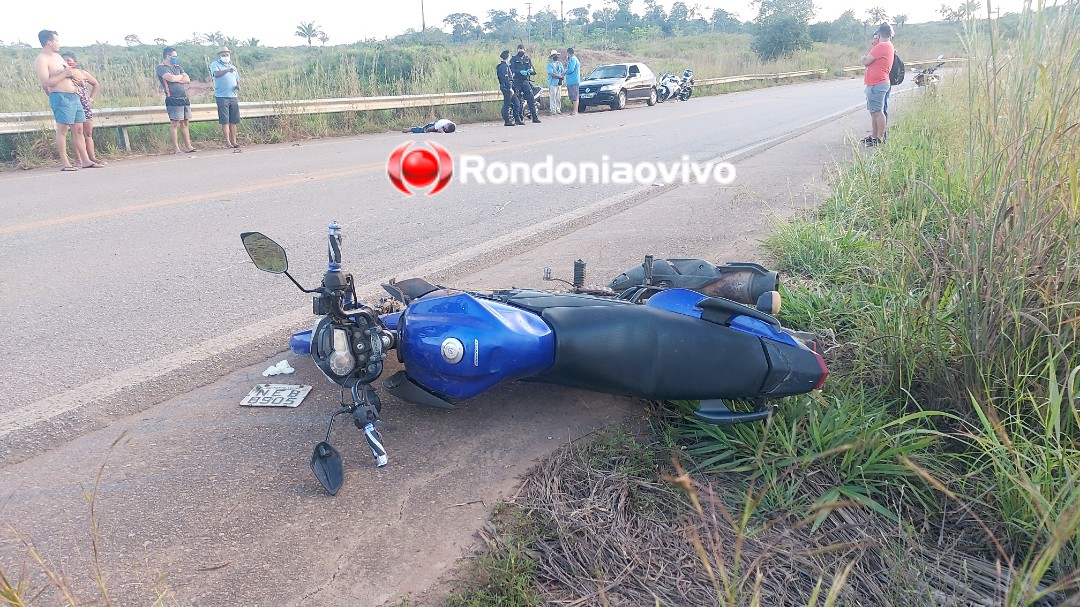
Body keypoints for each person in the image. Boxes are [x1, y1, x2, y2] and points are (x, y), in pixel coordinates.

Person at [33, 30, 99, 171]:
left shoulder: (57, 57)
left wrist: (74, 79)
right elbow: (46, 82)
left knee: (79, 129)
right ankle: (65, 162)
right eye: (56, 40)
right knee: (63, 130)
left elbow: (69, 73)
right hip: (60, 96)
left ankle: (85, 160)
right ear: (49, 42)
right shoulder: (42, 59)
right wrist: (64, 74)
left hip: (74, 96)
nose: (58, 43)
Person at [59, 52, 106, 166]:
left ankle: (92, 158)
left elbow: (95, 84)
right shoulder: (62, 75)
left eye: (69, 60)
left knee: (88, 133)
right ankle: (79, 159)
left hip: (85, 105)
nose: (67, 62)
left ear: (75, 61)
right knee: (76, 132)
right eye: (64, 60)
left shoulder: (83, 73)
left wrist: (91, 98)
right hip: (71, 104)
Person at [156, 46, 198, 154]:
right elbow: (170, 78)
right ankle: (176, 148)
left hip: (183, 97)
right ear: (168, 56)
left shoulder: (177, 66)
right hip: (172, 98)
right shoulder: (161, 67)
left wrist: (176, 78)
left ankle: (188, 146)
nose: (176, 58)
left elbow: (187, 79)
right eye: (174, 56)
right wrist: (179, 77)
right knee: (174, 123)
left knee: (185, 123)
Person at [860, 23, 894, 147]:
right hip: (876, 82)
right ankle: (875, 136)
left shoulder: (882, 46)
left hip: (878, 82)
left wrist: (865, 57)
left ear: (879, 34)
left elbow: (865, 61)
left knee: (878, 112)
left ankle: (879, 137)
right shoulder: (888, 46)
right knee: (874, 112)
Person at [210, 46, 241, 149]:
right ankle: (227, 142)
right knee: (225, 121)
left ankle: (234, 141)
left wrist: (238, 86)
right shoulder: (215, 65)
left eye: (227, 55)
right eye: (223, 55)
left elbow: (237, 79)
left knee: (233, 121)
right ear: (219, 56)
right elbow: (216, 74)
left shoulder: (233, 67)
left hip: (233, 96)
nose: (225, 57)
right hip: (222, 96)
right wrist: (227, 70)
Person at [509, 44, 540, 124]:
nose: (521, 51)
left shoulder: (527, 59)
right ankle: (519, 118)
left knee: (531, 99)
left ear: (524, 50)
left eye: (522, 49)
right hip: (517, 82)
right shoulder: (513, 59)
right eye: (519, 49)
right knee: (518, 101)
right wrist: (519, 72)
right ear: (517, 50)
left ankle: (534, 117)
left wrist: (530, 71)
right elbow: (511, 69)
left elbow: (533, 70)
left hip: (526, 82)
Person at [496, 49, 522, 126]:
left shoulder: (503, 66)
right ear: (507, 56)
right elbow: (505, 78)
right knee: (507, 104)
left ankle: (517, 119)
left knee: (517, 103)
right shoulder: (503, 66)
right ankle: (507, 120)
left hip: (507, 87)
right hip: (507, 88)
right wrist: (510, 88)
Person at [546, 50, 564, 116]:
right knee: (553, 97)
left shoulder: (559, 64)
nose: (556, 56)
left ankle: (558, 109)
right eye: (554, 55)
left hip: (559, 83)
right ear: (552, 56)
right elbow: (551, 74)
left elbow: (563, 71)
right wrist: (560, 76)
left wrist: (562, 76)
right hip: (552, 83)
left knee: (558, 97)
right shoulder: (549, 64)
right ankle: (553, 110)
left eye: (556, 55)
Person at [564, 48, 581, 116]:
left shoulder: (573, 59)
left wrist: (565, 72)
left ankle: (575, 111)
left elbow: (571, 69)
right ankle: (574, 110)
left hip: (574, 80)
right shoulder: (571, 60)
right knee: (572, 96)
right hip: (571, 81)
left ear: (568, 53)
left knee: (575, 96)